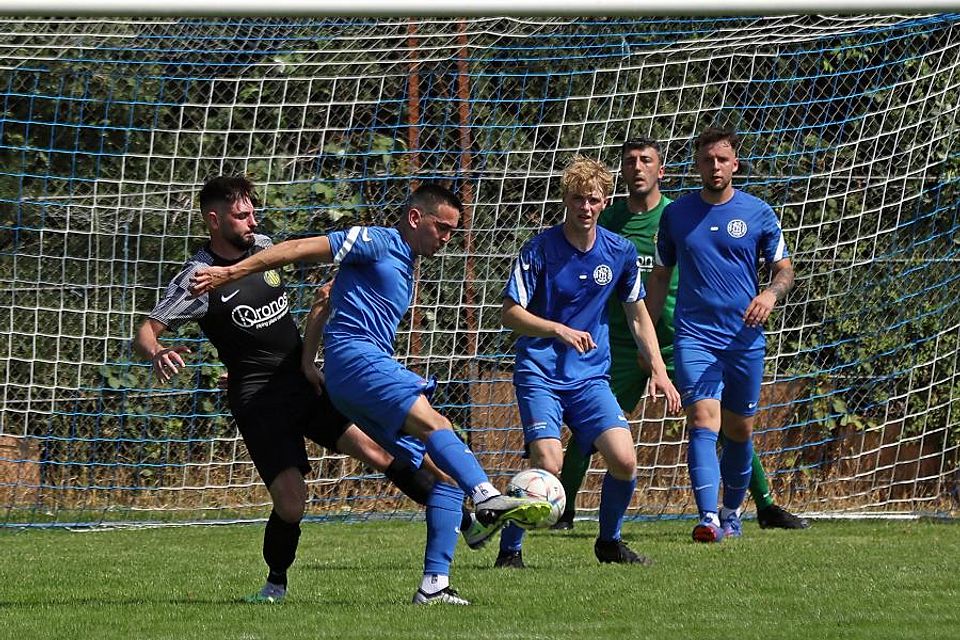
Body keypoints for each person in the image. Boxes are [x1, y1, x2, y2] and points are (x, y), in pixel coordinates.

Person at [188, 183, 553, 606]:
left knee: (445, 475)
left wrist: (308, 361)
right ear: (416, 218)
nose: (447, 238)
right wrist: (229, 273)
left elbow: (324, 302)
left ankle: (434, 586)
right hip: (357, 362)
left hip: (346, 379)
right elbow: (297, 247)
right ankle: (487, 498)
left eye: (454, 232)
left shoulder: (405, 263)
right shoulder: (378, 240)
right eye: (443, 228)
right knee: (439, 425)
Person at [132, 175, 451, 604]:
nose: (251, 220)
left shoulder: (263, 248)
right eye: (241, 215)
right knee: (291, 503)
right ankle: (274, 584)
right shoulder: (199, 276)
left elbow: (313, 273)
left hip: (301, 381)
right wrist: (157, 351)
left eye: (252, 211)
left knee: (381, 452)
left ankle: (459, 517)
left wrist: (310, 353)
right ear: (214, 220)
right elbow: (146, 331)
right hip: (257, 397)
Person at [553, 138, 808, 531]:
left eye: (646, 161)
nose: (637, 168)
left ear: (662, 170)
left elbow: (778, 267)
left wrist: (768, 294)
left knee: (729, 423)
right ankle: (563, 510)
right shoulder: (606, 218)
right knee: (591, 424)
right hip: (629, 343)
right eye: (629, 161)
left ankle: (762, 505)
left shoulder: (681, 212)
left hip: (684, 338)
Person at [493, 156, 682, 569]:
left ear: (604, 201)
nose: (586, 207)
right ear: (566, 200)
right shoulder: (539, 249)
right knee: (549, 462)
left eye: (593, 200)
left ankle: (609, 543)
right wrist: (556, 329)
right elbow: (509, 312)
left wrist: (660, 371)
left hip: (590, 377)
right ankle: (509, 551)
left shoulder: (620, 252)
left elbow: (637, 315)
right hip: (540, 372)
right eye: (578, 199)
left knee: (624, 459)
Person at [644, 127, 796, 542]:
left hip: (744, 339)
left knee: (739, 430)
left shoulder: (759, 212)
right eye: (707, 160)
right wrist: (651, 338)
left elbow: (784, 269)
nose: (715, 166)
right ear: (697, 165)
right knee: (701, 419)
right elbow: (659, 277)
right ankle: (708, 518)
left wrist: (769, 293)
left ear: (735, 164)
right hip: (694, 336)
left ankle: (731, 512)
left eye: (722, 159)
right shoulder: (676, 216)